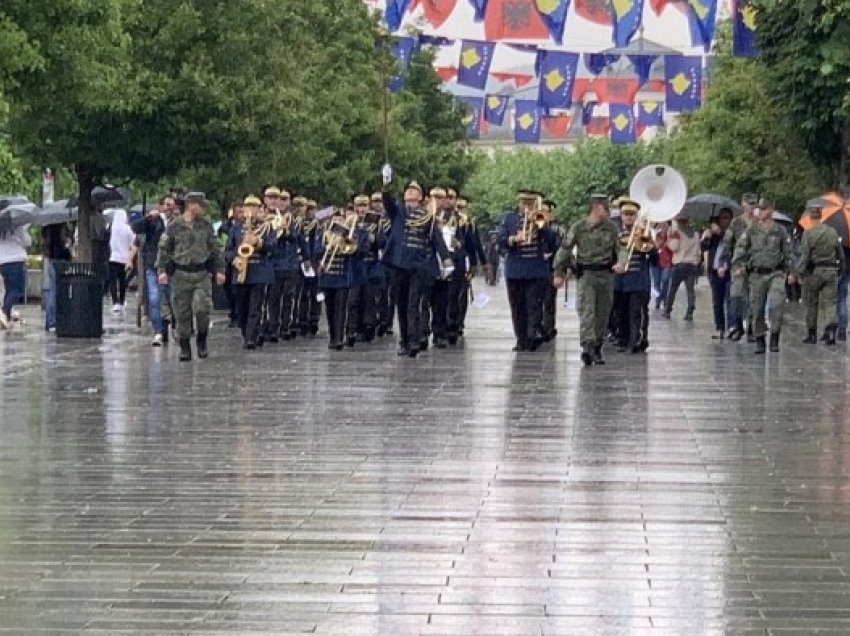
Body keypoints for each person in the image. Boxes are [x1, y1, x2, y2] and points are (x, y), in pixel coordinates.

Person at [382, 180, 451, 358]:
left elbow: (436, 238)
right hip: (399, 263)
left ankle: (414, 340)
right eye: (408, 190)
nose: (411, 193)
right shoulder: (398, 211)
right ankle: (404, 340)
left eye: (415, 190)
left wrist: (446, 258)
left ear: (420, 197)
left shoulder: (427, 216)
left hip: (418, 264)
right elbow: (387, 202)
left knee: (414, 303)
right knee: (402, 304)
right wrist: (386, 185)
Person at [156, 192, 226, 361]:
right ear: (190, 205)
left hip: (201, 274)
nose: (203, 208)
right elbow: (164, 248)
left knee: (202, 308)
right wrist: (162, 270)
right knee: (182, 313)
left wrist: (220, 270)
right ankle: (185, 346)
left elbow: (215, 249)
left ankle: (202, 339)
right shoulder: (174, 226)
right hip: (181, 274)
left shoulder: (206, 226)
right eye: (200, 204)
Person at [553, 194, 620, 365]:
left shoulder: (612, 228)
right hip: (587, 275)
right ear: (597, 208)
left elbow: (622, 248)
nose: (610, 211)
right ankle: (588, 347)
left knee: (603, 314)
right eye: (607, 208)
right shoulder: (579, 227)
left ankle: (598, 344)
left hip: (606, 275)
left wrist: (622, 263)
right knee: (587, 312)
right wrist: (559, 273)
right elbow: (565, 249)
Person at [497, 190, 560, 352]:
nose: (527, 207)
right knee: (517, 307)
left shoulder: (541, 218)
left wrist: (542, 225)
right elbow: (500, 239)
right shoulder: (509, 219)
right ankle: (521, 339)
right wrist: (513, 239)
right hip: (515, 270)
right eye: (524, 203)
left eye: (530, 204)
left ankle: (533, 336)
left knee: (534, 306)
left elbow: (552, 242)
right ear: (519, 204)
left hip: (536, 270)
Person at [731, 198, 794, 354]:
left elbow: (788, 252)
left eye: (764, 209)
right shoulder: (752, 230)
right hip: (757, 274)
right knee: (757, 308)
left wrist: (792, 272)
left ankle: (774, 337)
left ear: (771, 210)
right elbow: (741, 247)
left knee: (777, 303)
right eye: (760, 208)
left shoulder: (779, 230)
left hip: (775, 273)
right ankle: (759, 339)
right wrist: (738, 265)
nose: (761, 212)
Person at [225, 195, 277, 350]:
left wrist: (259, 242)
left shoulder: (267, 227)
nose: (251, 211)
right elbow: (228, 250)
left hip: (259, 272)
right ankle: (245, 332)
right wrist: (234, 260)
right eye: (248, 207)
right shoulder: (236, 228)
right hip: (241, 272)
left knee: (255, 306)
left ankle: (251, 337)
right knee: (242, 307)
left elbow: (273, 247)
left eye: (254, 207)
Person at [613, 200, 657, 353]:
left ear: (636, 216)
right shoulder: (617, 233)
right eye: (626, 214)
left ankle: (636, 340)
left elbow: (654, 260)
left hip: (638, 280)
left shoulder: (644, 232)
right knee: (621, 312)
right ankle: (623, 339)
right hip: (620, 280)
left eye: (632, 215)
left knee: (636, 312)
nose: (629, 218)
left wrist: (650, 247)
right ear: (621, 216)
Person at [132, 195, 177, 345]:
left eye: (172, 205)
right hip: (153, 266)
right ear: (161, 206)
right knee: (154, 298)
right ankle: (158, 331)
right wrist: (147, 218)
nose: (169, 207)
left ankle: (173, 326)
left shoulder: (178, 223)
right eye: (166, 204)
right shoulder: (153, 221)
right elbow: (135, 228)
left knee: (172, 299)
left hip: (171, 267)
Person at [797, 205, 843, 345]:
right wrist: (840, 268)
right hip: (830, 271)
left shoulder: (808, 233)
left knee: (811, 303)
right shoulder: (832, 232)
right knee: (831, 302)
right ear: (821, 215)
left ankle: (811, 334)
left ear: (810, 217)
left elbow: (804, 256)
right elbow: (839, 253)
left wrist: (799, 273)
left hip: (814, 272)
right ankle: (830, 331)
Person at [719, 193, 758, 341]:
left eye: (754, 204)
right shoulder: (736, 223)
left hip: (755, 266)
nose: (752, 207)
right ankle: (738, 326)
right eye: (749, 204)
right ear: (743, 204)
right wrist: (724, 264)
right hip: (738, 266)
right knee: (735, 296)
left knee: (754, 299)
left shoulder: (759, 223)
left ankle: (751, 329)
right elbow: (728, 244)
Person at [701, 208, 734, 339]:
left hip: (729, 270)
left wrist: (720, 233)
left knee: (730, 299)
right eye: (721, 218)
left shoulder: (732, 233)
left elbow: (730, 243)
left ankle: (731, 326)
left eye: (726, 218)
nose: (723, 221)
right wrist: (707, 238)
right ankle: (719, 327)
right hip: (714, 271)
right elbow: (703, 248)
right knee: (717, 301)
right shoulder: (713, 234)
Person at [664, 211, 701, 321]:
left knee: (673, 289)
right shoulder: (695, 233)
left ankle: (668, 310)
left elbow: (674, 248)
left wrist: (668, 240)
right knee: (690, 290)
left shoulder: (676, 233)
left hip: (680, 264)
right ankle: (690, 311)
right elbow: (698, 251)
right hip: (692, 264)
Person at [41, 223, 72, 332]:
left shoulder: (47, 229)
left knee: (51, 291)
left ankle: (50, 321)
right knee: (55, 293)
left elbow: (45, 247)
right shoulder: (61, 228)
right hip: (60, 262)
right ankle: (53, 322)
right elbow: (65, 246)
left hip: (51, 261)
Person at [0, 225, 31, 329]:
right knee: (17, 290)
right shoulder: (17, 226)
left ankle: (6, 317)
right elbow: (27, 241)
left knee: (9, 290)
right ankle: (4, 312)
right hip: (16, 260)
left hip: (3, 261)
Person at [107, 209, 135, 313]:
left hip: (113, 257)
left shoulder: (112, 228)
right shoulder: (127, 229)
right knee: (122, 281)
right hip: (124, 258)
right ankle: (122, 301)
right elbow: (133, 242)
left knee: (113, 281)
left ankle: (115, 302)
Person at [651, 223, 672, 310]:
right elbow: (650, 247)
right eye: (660, 226)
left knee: (665, 280)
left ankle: (664, 298)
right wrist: (656, 240)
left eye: (664, 226)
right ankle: (658, 300)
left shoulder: (670, 236)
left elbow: (673, 247)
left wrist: (667, 241)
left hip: (667, 262)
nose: (662, 228)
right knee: (656, 282)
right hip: (655, 262)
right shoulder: (654, 235)